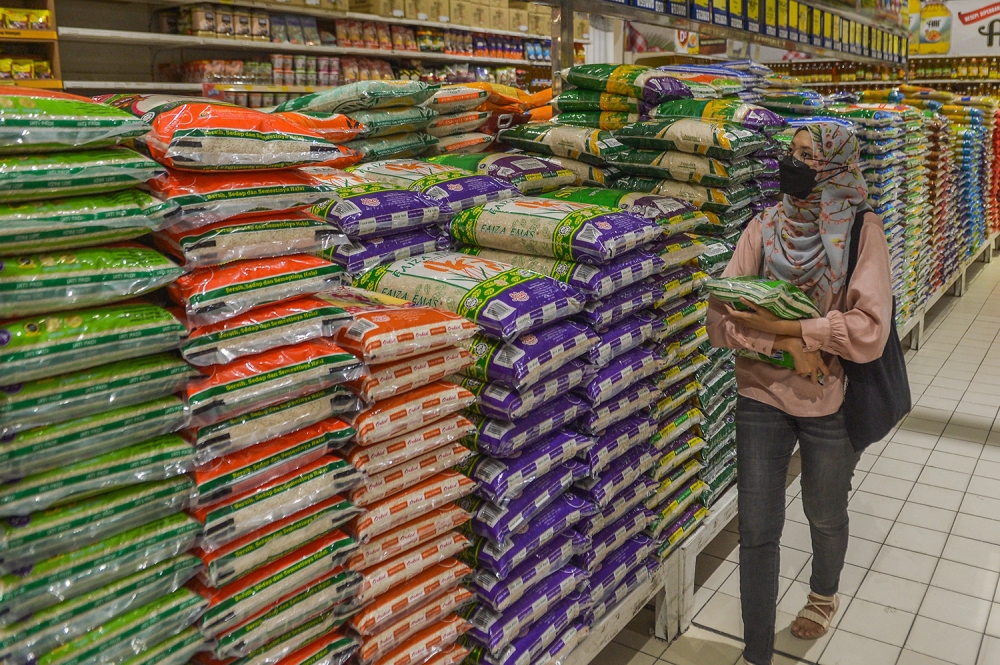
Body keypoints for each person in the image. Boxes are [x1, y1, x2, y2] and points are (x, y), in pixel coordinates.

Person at [706, 122, 893, 665]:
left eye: (809, 156)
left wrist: (796, 332)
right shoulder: (763, 228)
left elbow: (870, 329)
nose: (796, 164)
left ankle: (822, 593)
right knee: (759, 527)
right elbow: (720, 319)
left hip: (829, 398)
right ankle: (757, 651)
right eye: (793, 154)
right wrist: (790, 351)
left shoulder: (862, 231)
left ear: (836, 165)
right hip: (760, 394)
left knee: (824, 511)